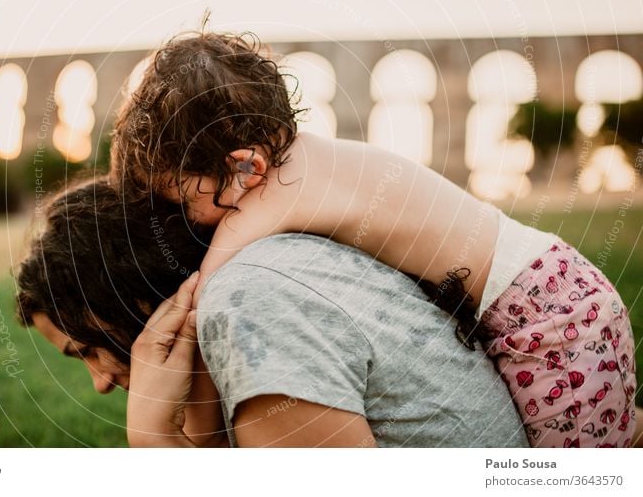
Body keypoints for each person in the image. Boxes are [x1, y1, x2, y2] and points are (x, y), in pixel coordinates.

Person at [112, 29, 638, 447]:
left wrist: (182, 417)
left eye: (181, 199)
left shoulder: (277, 193)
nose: (183, 217)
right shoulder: (308, 162)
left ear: (246, 166)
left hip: (551, 316)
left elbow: (207, 290)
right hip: (551, 291)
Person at [14, 178, 532, 447]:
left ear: (129, 292)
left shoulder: (253, 306)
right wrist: (200, 428)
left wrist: (156, 441)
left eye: (86, 349)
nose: (99, 382)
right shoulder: (255, 269)